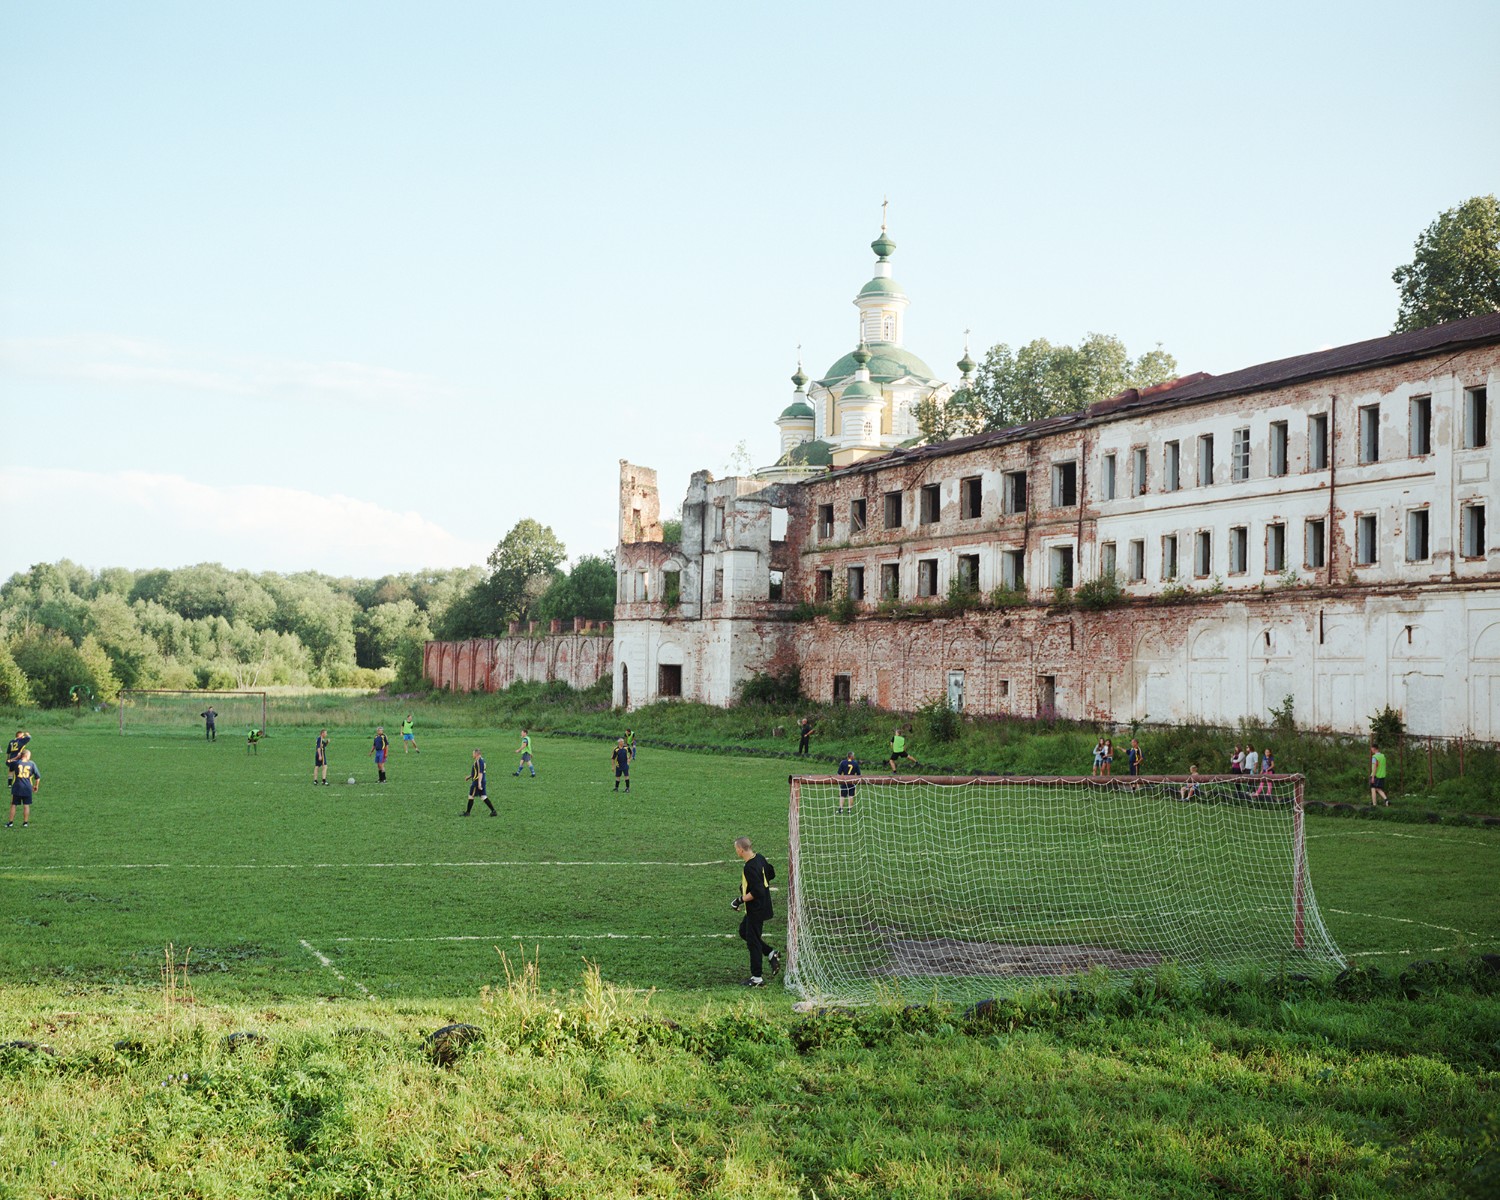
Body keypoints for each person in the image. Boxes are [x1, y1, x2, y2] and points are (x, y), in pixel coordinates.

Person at [732, 836, 779, 987]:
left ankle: (757, 978)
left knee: (753, 941)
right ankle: (771, 953)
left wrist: (739, 899)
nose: (736, 851)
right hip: (762, 906)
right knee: (744, 932)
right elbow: (771, 873)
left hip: (756, 909)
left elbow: (757, 891)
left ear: (740, 849)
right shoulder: (759, 858)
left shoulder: (749, 867)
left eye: (736, 849)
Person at [7, 748, 39, 828]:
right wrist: (36, 786)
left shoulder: (16, 763)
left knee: (13, 804)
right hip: (27, 787)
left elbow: (8, 762)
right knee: (26, 805)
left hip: (17, 786)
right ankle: (25, 823)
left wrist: (15, 758)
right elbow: (37, 777)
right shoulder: (32, 764)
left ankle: (10, 822)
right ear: (27, 755)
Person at [464, 749, 496, 816]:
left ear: (476, 754)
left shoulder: (479, 761)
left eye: (473, 753)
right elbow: (477, 772)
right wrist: (469, 777)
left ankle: (467, 813)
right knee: (483, 796)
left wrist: (479, 783)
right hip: (482, 781)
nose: (472, 755)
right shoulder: (482, 760)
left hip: (477, 781)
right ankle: (493, 811)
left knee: (471, 796)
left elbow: (480, 773)